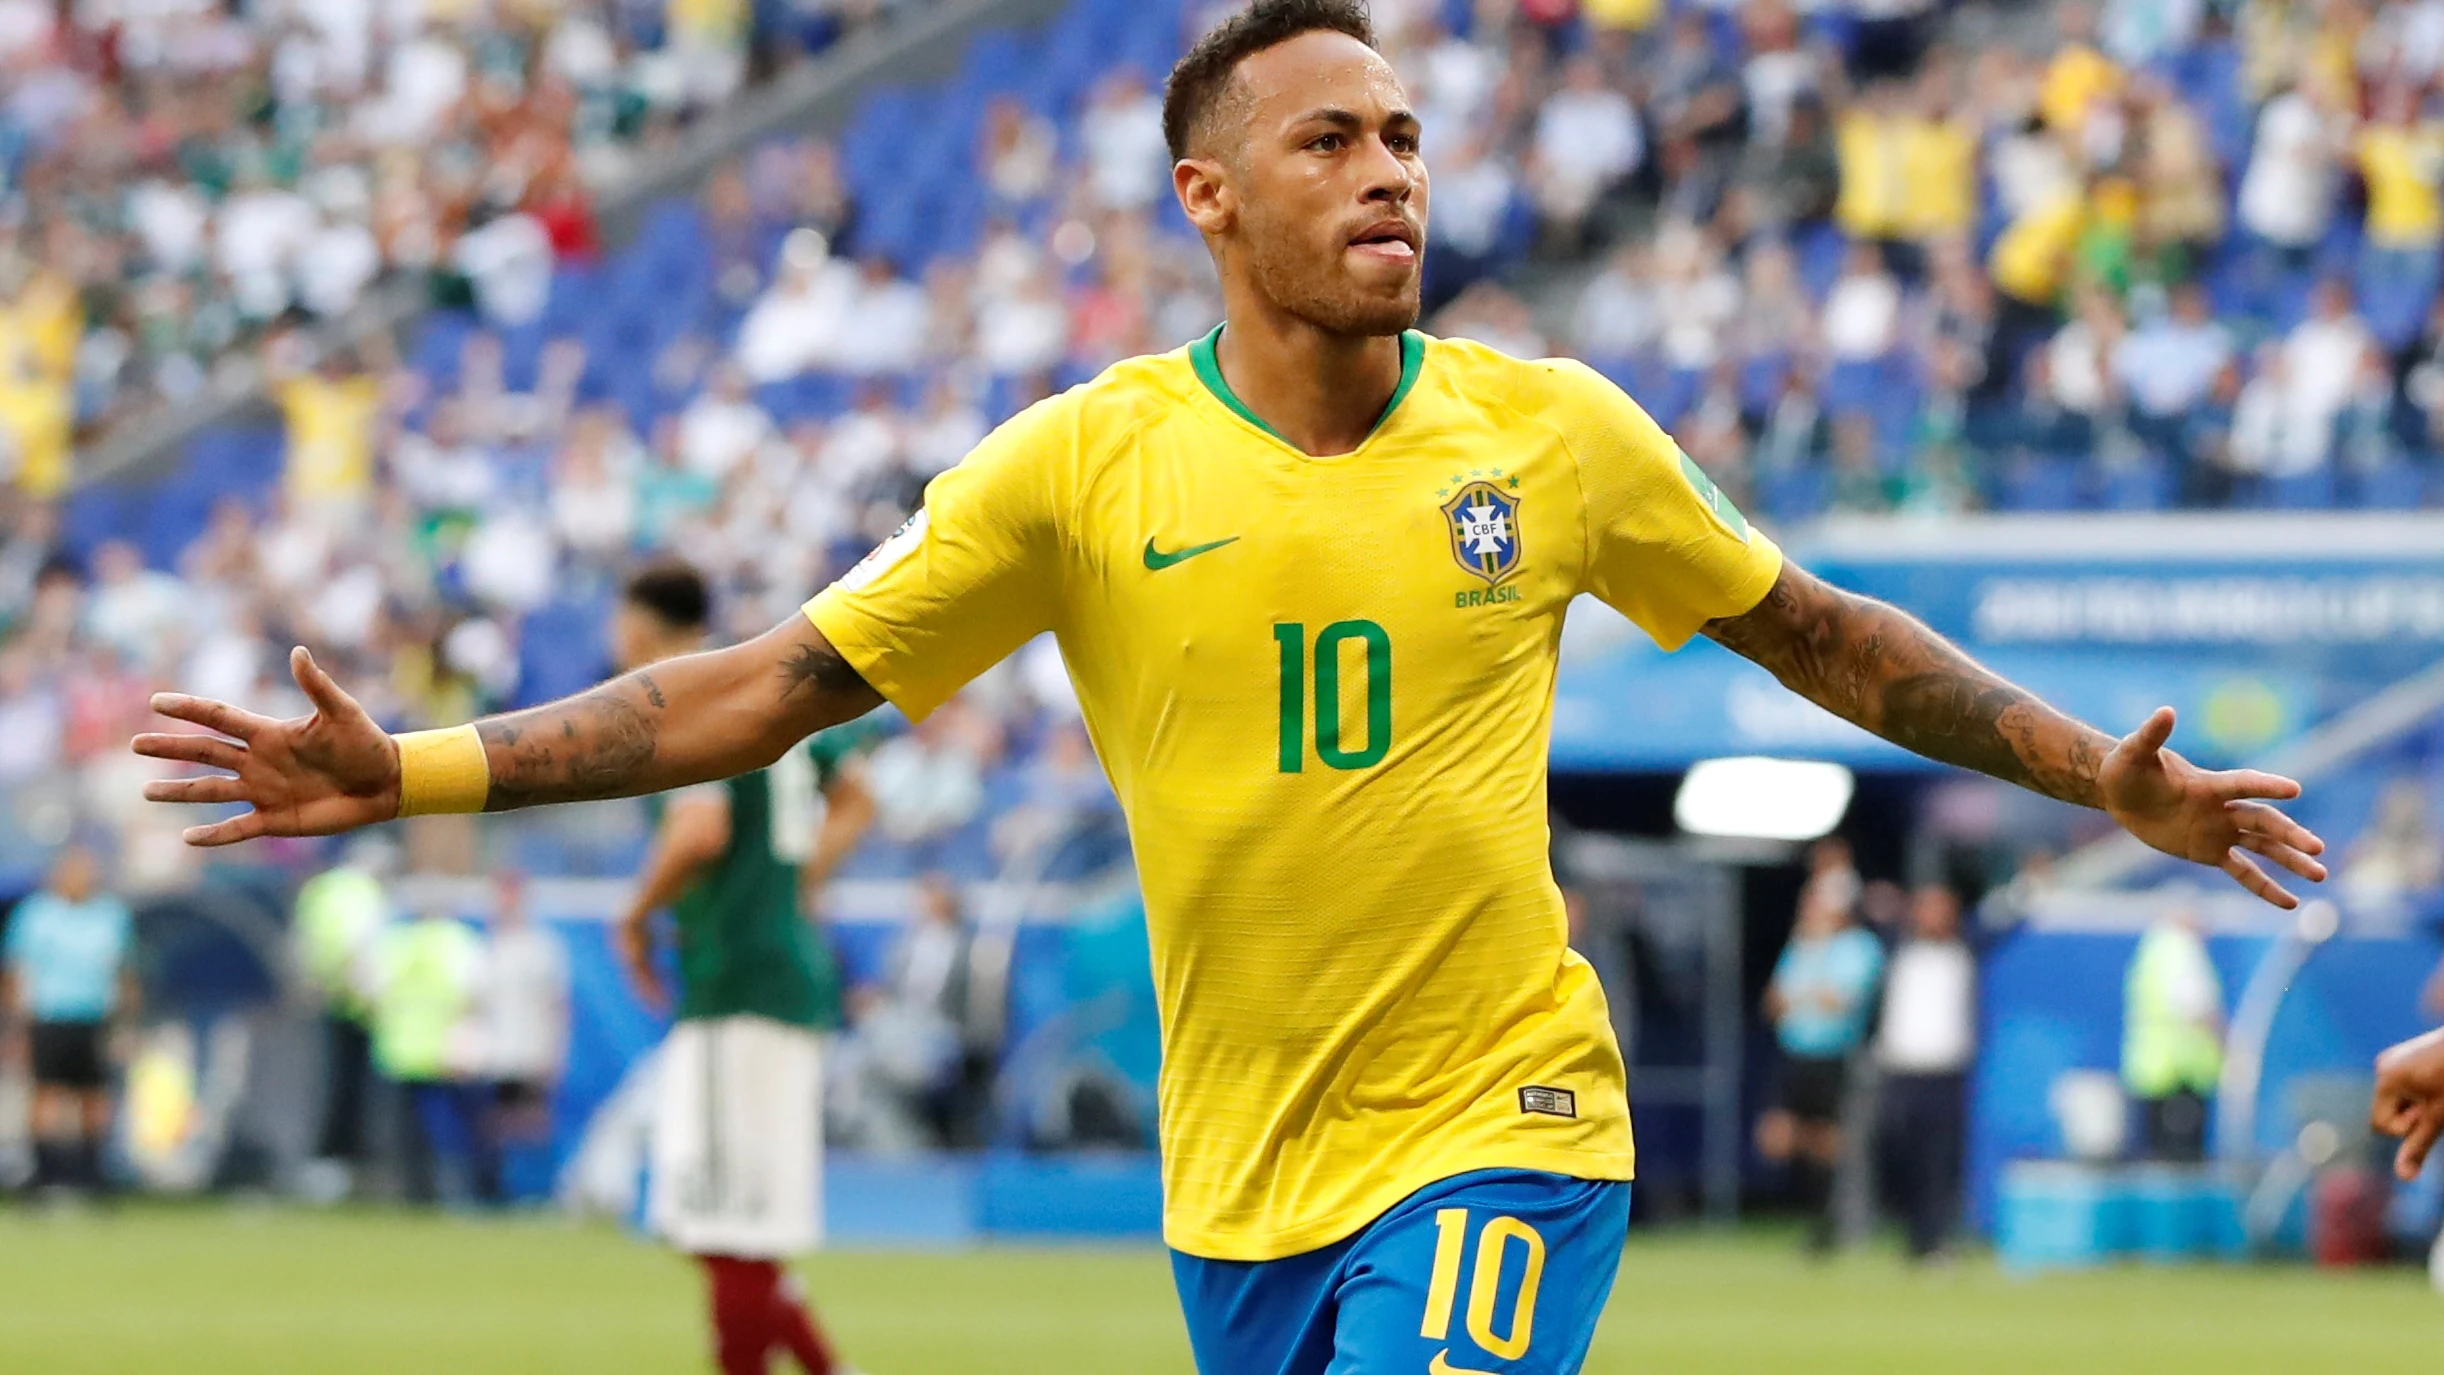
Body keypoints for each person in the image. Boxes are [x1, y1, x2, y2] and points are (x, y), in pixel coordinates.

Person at [134, 4, 2328, 1370]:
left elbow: (1819, 630)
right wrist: (410, 766)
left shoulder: (1551, 432)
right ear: (1208, 198)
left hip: (1502, 1127)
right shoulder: (1080, 469)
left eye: (1400, 136)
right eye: (1326, 143)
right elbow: (770, 685)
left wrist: (2084, 774)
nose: (1387, 171)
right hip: (1238, 1181)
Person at [604, 561, 870, 1375]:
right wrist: (800, 882)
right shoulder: (760, 684)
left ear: (642, 626)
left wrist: (636, 913)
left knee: (721, 1223)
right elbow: (856, 794)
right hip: (774, 969)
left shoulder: (689, 693)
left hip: (735, 979)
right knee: (731, 1229)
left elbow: (699, 830)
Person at [0, 844, 136, 1196]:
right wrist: (17, 1025)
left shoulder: (110, 915)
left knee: (93, 1095)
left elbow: (125, 972)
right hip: (49, 1014)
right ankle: (44, 1174)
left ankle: (92, 1174)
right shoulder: (36, 914)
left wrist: (126, 1024)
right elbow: (15, 972)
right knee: (46, 1092)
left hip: (93, 1015)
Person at [1762, 866, 1884, 1254]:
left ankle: (1831, 1226)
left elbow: (1839, 1003)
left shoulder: (1860, 947)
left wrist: (1805, 996)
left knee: (1831, 1144)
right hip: (1796, 1054)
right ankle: (1814, 1220)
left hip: (1835, 1058)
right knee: (1783, 1139)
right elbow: (1775, 1003)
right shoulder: (1802, 945)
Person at [1874, 884, 1976, 1261]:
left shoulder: (1964, 954)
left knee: (1940, 1161)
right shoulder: (1898, 952)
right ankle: (1912, 1237)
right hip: (1900, 1071)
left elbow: (2006, 920)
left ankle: (1937, 1240)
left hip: (1945, 1073)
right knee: (1900, 1157)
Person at [291, 839, 396, 1199]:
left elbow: (305, 942)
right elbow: (362, 948)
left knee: (333, 1086)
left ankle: (331, 1166)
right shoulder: (364, 894)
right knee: (351, 1090)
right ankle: (345, 1166)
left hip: (325, 997)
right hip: (357, 1004)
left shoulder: (323, 889)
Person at [369, 900, 488, 1206]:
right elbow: (475, 992)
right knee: (448, 1131)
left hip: (399, 1051)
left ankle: (410, 1195)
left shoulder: (397, 942)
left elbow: (370, 989)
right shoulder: (456, 940)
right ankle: (454, 1197)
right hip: (442, 1051)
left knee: (405, 1134)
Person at [480, 872, 567, 1186]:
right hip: (496, 1052)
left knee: (532, 1122)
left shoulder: (540, 947)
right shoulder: (491, 946)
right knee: (498, 1122)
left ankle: (538, 1190)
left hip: (531, 1049)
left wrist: (554, 1052)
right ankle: (502, 1191)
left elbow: (557, 1004)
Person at [2122, 906, 2224, 1162]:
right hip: (2180, 1076)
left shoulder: (2153, 948)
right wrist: (2226, 1043)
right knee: (2181, 1164)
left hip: (2151, 1074)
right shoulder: (2180, 949)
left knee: (2157, 1158)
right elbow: (2196, 1007)